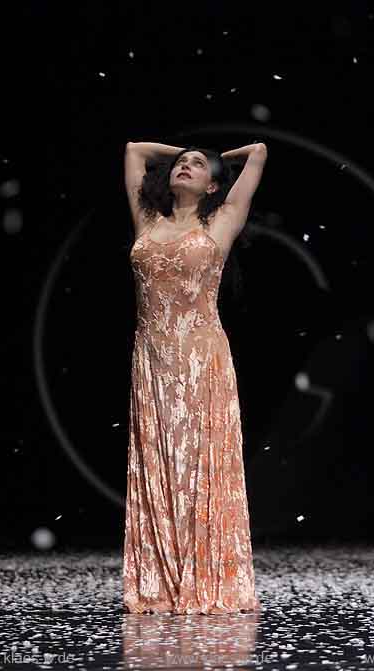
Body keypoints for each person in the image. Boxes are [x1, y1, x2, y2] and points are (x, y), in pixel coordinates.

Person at [121, 140, 268, 614]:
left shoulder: (221, 222)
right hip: (152, 360)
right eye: (181, 163)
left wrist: (222, 155)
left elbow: (260, 153)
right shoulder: (148, 219)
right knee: (160, 467)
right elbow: (133, 151)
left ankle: (208, 576)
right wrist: (181, 151)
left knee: (201, 470)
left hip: (201, 361)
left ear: (213, 185)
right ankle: (160, 583)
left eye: (196, 165)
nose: (184, 166)